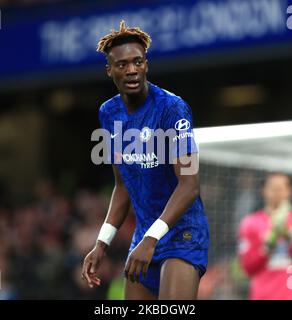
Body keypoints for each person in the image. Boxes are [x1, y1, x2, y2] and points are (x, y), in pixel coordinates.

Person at [81, 20, 209, 300]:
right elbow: (122, 187)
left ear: (146, 65)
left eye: (137, 62)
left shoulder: (172, 109)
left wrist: (152, 239)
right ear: (109, 70)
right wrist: (101, 243)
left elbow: (189, 184)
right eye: (122, 64)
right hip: (144, 238)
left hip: (181, 235)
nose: (131, 70)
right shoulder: (109, 113)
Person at [238, 173, 292, 300]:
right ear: (264, 190)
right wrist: (267, 246)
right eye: (273, 188)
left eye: (281, 188)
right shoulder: (250, 223)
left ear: (289, 191)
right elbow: (247, 267)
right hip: (263, 294)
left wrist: (289, 237)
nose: (277, 192)